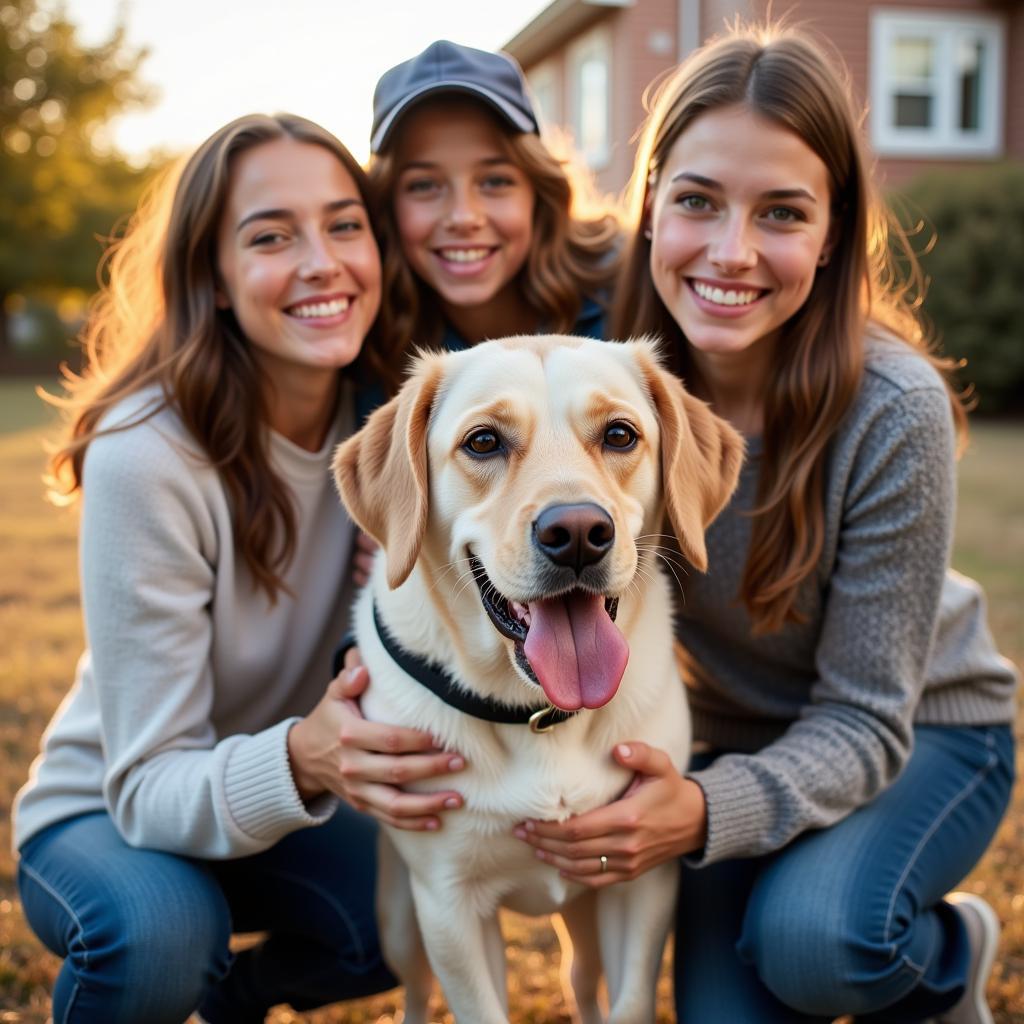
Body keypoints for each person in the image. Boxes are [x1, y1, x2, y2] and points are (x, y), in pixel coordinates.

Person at [510, 23, 1018, 1024]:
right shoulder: (594, 374)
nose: (730, 252)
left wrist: (699, 813)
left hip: (918, 734)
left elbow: (868, 717)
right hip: (716, 746)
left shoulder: (890, 408)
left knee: (817, 944)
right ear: (648, 203)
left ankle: (945, 956)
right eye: (697, 200)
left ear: (830, 235)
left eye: (780, 212)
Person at [10, 113, 444, 1024]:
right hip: (111, 811)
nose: (321, 262)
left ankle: (233, 1007)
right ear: (210, 276)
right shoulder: (148, 455)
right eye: (271, 236)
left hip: (276, 803)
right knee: (166, 934)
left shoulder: (393, 428)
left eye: (343, 224)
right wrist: (306, 753)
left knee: (412, 916)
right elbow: (147, 784)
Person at [363, 38, 620, 405]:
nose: (464, 217)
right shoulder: (367, 338)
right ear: (386, 205)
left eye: (495, 181)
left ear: (538, 191)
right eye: (423, 185)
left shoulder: (625, 299)